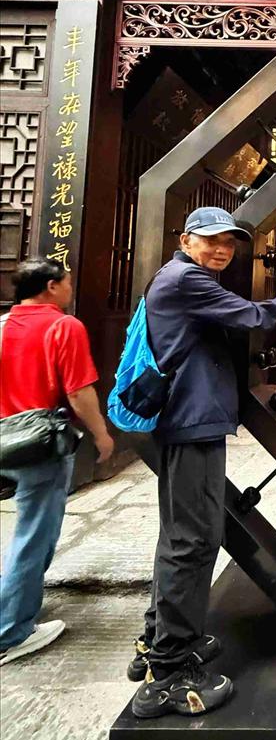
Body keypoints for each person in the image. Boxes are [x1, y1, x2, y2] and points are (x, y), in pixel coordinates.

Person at [129, 207, 276, 718]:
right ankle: (169, 671)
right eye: (211, 240)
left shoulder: (186, 279)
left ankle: (158, 638)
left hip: (189, 419)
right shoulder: (185, 280)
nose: (222, 249)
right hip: (188, 422)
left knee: (181, 534)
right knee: (194, 540)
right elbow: (254, 316)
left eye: (229, 242)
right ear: (186, 240)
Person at [0, 258, 114, 666]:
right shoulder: (63, 326)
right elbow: (79, 392)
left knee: (26, 531)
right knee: (34, 536)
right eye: (66, 282)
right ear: (50, 286)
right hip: (39, 444)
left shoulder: (2, 326)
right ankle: (11, 632)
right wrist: (101, 434)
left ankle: (15, 605)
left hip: (3, 438)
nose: (69, 288)